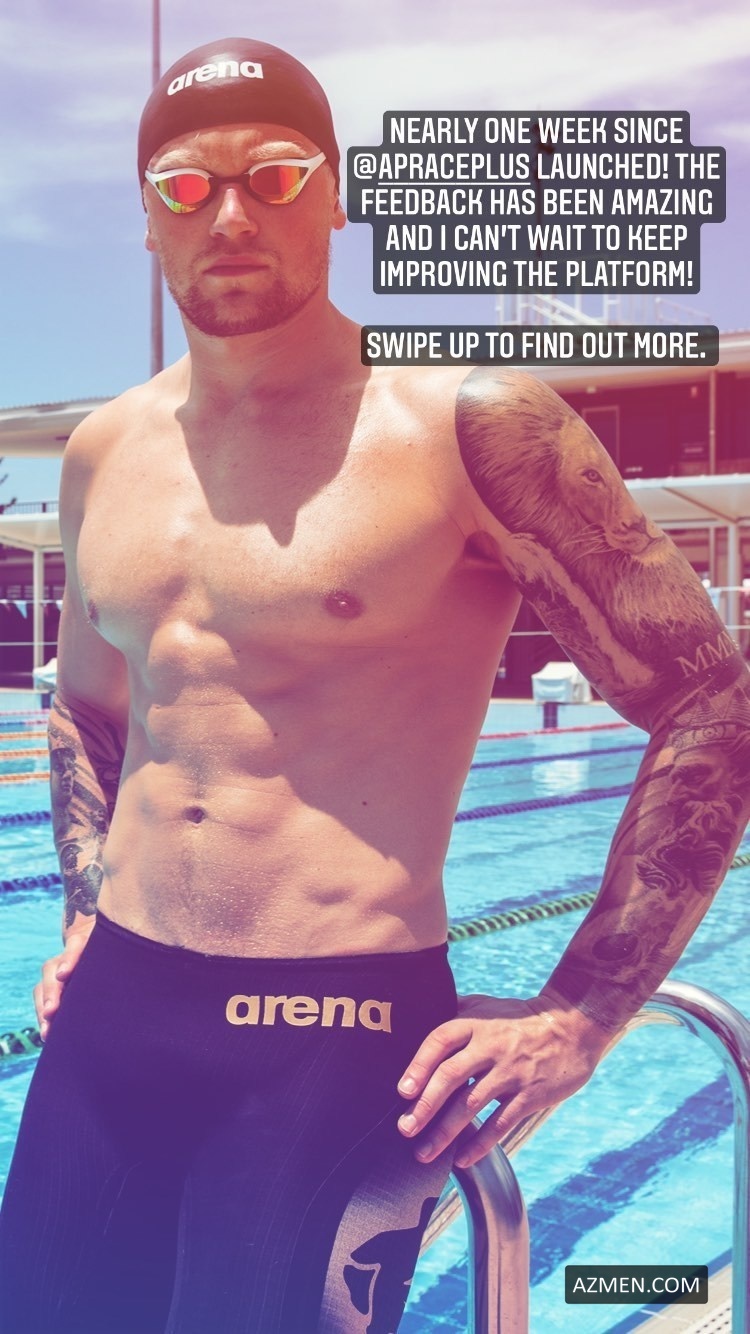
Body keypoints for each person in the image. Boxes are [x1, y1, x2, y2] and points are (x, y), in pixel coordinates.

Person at [1, 35, 748, 1334]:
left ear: (338, 194)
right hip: (115, 1013)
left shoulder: (468, 424)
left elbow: (709, 701)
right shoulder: (104, 450)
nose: (231, 214)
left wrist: (578, 1014)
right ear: (147, 220)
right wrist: (77, 912)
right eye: (187, 186)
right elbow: (90, 704)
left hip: (331, 1034)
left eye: (275, 174)